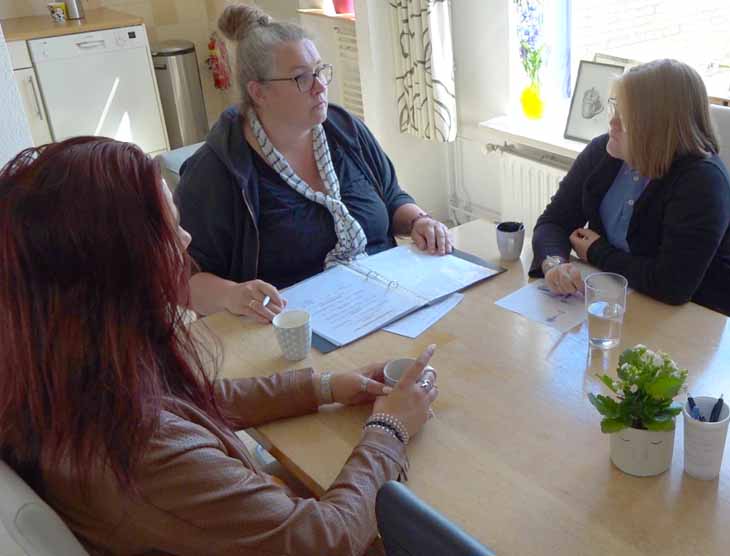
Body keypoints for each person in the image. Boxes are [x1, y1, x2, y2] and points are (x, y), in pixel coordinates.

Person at [0, 136, 440, 554]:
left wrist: (326, 386)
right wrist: (389, 429)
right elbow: (327, 541)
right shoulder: (141, 450)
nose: (186, 239)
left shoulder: (65, 379)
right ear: (112, 272)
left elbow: (190, 401)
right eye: (167, 228)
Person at [176, 4, 451, 324]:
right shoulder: (214, 172)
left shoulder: (346, 130)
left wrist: (419, 221)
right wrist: (232, 295)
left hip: (389, 305)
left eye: (320, 71)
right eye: (300, 78)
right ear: (259, 92)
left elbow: (392, 199)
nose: (320, 86)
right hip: (292, 331)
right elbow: (184, 280)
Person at [530, 59, 730, 320]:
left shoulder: (702, 182)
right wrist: (554, 263)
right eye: (614, 108)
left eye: (625, 118)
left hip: (706, 315)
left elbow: (671, 286)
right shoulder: (603, 152)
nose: (612, 124)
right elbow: (553, 221)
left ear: (660, 127)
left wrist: (597, 251)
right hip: (628, 296)